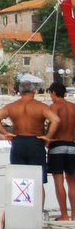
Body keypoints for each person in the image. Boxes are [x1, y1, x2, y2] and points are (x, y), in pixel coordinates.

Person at [0, 80, 60, 192]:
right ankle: (38, 209)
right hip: (35, 142)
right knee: (38, 182)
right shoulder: (41, 107)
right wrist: (48, 136)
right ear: (34, 91)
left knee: (19, 181)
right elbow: (56, 120)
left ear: (19, 92)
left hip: (18, 142)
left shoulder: (12, 106)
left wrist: (5, 133)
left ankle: (21, 208)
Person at [47, 81, 75, 220]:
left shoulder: (54, 106)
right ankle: (74, 215)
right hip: (72, 145)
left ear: (53, 92)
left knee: (59, 182)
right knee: (72, 183)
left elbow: (54, 124)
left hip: (57, 145)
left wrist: (47, 139)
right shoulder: (73, 107)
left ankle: (64, 215)